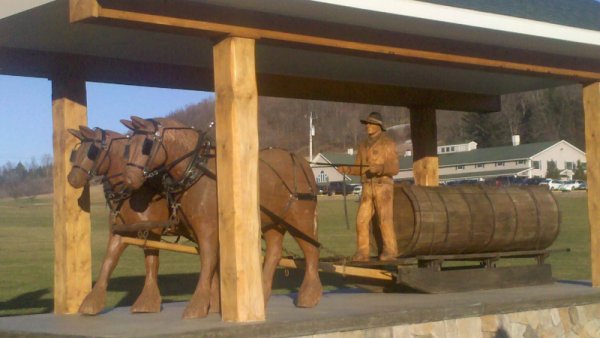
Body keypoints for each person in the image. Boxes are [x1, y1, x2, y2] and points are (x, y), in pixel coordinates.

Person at [338, 112, 400, 261]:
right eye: (366, 123)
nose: (367, 126)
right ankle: (362, 251)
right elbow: (359, 168)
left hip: (383, 186)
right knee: (361, 220)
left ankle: (391, 250)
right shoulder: (363, 145)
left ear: (379, 126)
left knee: (384, 219)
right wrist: (348, 169)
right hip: (367, 187)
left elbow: (395, 167)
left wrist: (379, 168)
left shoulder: (388, 143)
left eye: (370, 123)